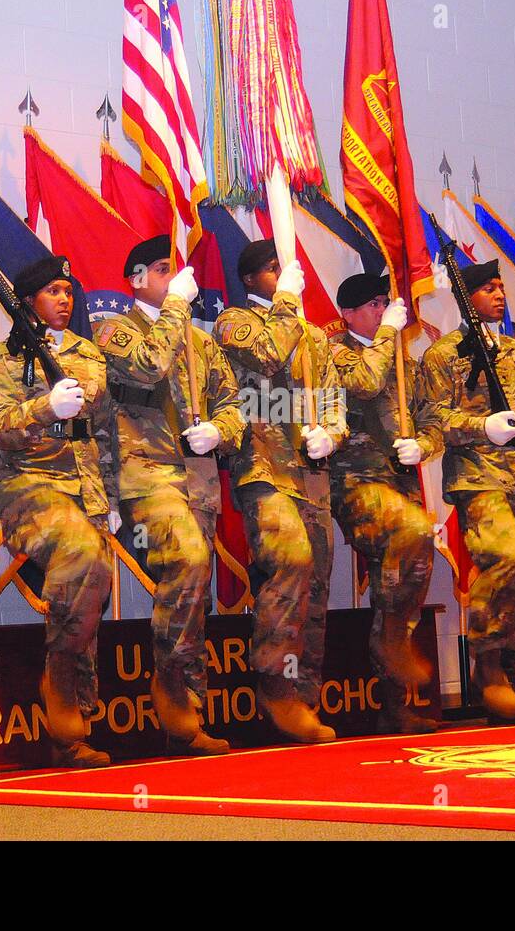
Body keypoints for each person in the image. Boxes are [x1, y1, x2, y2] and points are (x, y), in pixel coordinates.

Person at [94, 235, 245, 756]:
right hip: (146, 476)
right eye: (161, 270)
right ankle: (172, 687)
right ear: (136, 280)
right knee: (188, 554)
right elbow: (148, 366)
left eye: (173, 270)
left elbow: (234, 405)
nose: (174, 278)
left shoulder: (202, 345)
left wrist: (221, 432)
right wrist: (177, 307)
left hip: (198, 481)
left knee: (195, 588)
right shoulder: (113, 330)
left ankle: (186, 713)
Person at [0, 255, 118, 766]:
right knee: (79, 551)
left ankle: (74, 727)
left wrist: (111, 498)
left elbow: (100, 422)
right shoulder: (2, 360)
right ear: (28, 300)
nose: (64, 299)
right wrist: (43, 408)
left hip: (84, 490)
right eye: (52, 291)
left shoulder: (86, 353)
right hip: (26, 487)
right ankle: (58, 683)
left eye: (69, 291)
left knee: (91, 586)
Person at [214, 238, 347, 743]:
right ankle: (274, 683)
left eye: (284, 269)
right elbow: (267, 354)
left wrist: (331, 432)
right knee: (289, 559)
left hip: (311, 473)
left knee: (315, 587)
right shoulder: (234, 321)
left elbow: (332, 399)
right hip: (262, 465)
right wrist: (289, 301)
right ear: (251, 280)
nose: (282, 276)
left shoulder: (313, 336)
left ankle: (303, 699)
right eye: (272, 269)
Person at [417, 258, 515, 724]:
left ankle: (513, 685)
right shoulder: (443, 356)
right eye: (488, 289)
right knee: (507, 557)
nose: (499, 294)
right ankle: (487, 667)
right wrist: (482, 426)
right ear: (466, 297)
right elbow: (434, 420)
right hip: (477, 477)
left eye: (501, 287)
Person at [328, 272, 441, 733]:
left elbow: (433, 417)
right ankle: (392, 651)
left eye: (385, 303)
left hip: (400, 486)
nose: (384, 310)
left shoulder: (403, 362)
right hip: (355, 484)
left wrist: (426, 445)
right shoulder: (336, 351)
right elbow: (365, 384)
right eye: (374, 304)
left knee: (404, 580)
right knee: (412, 533)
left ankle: (394, 699)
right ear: (349, 313)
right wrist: (391, 333)